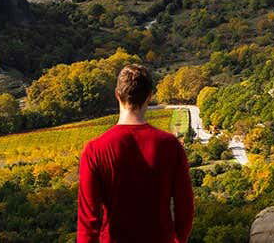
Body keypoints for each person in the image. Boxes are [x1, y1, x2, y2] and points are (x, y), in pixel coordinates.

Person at [77, 64, 194, 243]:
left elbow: (88, 222)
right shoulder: (170, 145)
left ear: (117, 94)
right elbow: (184, 208)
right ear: (149, 96)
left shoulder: (94, 150)